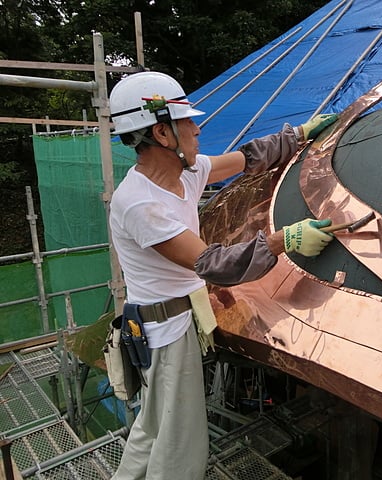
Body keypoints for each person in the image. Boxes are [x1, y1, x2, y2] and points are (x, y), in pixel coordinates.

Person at [107, 71, 337, 479]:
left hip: (172, 321)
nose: (197, 129)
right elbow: (213, 264)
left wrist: (298, 134)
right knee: (180, 447)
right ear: (162, 134)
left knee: (153, 426)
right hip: (164, 336)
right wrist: (286, 239)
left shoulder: (184, 173)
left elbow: (247, 159)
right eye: (187, 122)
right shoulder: (140, 204)